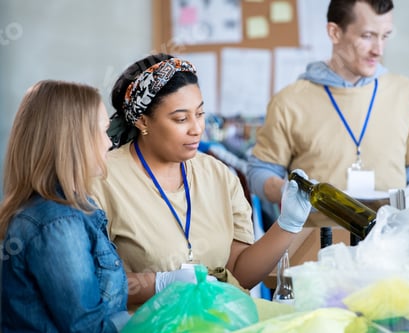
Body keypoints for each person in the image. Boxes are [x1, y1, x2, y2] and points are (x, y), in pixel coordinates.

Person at [91, 53, 312, 309]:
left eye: (200, 113)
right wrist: (159, 284)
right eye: (181, 119)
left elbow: (239, 275)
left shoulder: (219, 175)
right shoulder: (102, 179)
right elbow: (88, 287)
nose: (197, 128)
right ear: (142, 121)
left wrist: (287, 225)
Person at [247, 0, 409, 230]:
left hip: (392, 244)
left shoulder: (408, 93)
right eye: (367, 36)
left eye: (385, 36)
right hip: (314, 250)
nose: (378, 49)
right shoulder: (289, 101)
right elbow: (260, 173)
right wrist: (284, 190)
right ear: (334, 32)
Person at [0, 80, 130, 332]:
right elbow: (87, 328)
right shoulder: (58, 222)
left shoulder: (64, 211)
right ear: (73, 139)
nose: (109, 142)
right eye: (103, 131)